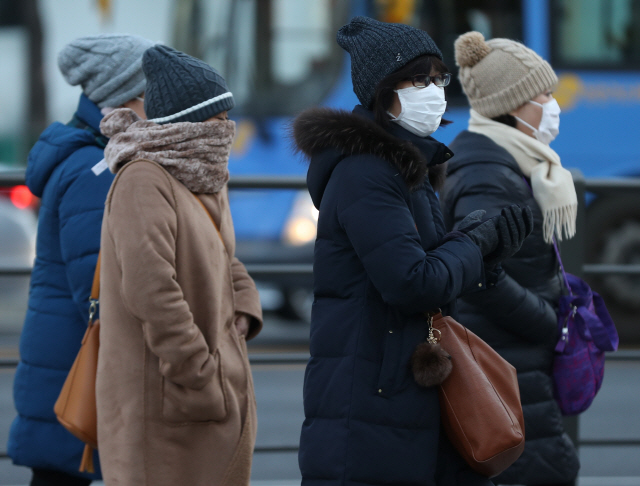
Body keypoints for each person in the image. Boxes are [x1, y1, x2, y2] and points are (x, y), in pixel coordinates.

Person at [291, 16, 532, 486]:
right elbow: (412, 282)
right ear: (384, 92)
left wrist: (487, 252)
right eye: (418, 79)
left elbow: (429, 265)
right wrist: (473, 241)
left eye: (438, 77)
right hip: (370, 405)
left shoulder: (406, 163)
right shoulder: (367, 171)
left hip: (399, 395)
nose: (434, 89)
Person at [95, 44, 263, 486]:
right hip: (167, 397)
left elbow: (225, 254)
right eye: (218, 118)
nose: (228, 128)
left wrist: (242, 306)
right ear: (188, 121)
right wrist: (199, 374)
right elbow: (152, 291)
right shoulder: (145, 179)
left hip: (198, 388)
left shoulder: (198, 171)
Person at [7, 33, 154, 486]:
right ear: (126, 96)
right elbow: (101, 286)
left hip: (65, 371)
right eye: (153, 89)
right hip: (79, 378)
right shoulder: (93, 169)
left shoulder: (91, 156)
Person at [439, 31, 581, 486]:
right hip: (508, 364)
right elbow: (479, 273)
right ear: (514, 104)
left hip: (514, 364)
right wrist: (548, 320)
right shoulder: (488, 175)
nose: (553, 105)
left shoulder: (508, 162)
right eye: (544, 95)